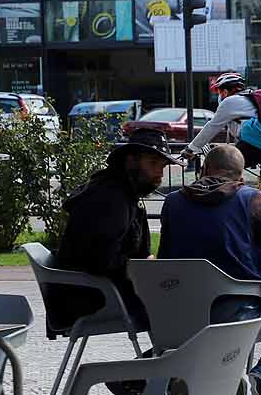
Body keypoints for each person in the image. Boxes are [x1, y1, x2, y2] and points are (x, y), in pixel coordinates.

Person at [158, 144, 261, 395]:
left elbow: (165, 259)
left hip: (182, 315)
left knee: (198, 338)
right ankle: (257, 384)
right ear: (240, 176)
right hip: (239, 313)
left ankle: (161, 383)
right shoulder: (251, 199)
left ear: (203, 170)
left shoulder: (173, 202)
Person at [45, 127, 178, 332]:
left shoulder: (121, 191)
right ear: (130, 161)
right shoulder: (110, 198)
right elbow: (100, 261)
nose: (159, 173)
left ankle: (165, 357)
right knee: (182, 304)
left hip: (92, 292)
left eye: (162, 166)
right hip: (89, 298)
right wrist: (141, 267)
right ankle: (168, 360)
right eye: (153, 164)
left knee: (176, 296)